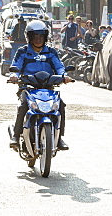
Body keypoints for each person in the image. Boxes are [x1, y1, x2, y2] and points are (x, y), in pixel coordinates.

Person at [7, 19, 72, 150]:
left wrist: (64, 76)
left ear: (45, 37)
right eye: (35, 36)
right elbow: (16, 66)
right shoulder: (22, 51)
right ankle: (15, 136)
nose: (38, 39)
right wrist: (14, 75)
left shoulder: (51, 52)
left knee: (61, 105)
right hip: (27, 88)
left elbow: (59, 66)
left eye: (41, 36)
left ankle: (59, 138)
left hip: (48, 88)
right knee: (23, 105)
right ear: (29, 37)